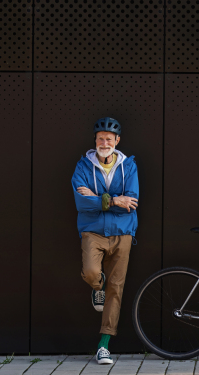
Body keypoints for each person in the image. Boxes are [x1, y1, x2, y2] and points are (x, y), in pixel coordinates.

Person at [71, 117, 139, 364]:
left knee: (117, 289)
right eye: (100, 138)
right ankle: (97, 287)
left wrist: (97, 199)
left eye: (109, 139)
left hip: (123, 233)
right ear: (95, 140)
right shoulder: (82, 167)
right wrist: (113, 200)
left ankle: (104, 345)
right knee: (91, 273)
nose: (104, 142)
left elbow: (131, 203)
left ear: (117, 141)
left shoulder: (129, 166)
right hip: (93, 232)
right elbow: (81, 203)